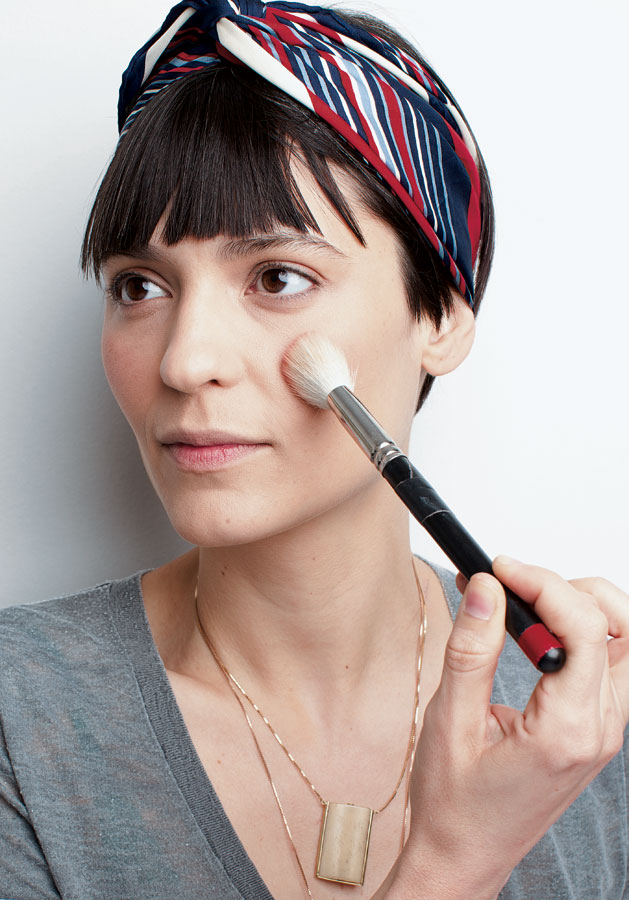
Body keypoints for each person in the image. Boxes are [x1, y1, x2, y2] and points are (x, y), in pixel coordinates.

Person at [1, 1, 627, 898]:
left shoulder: (584, 718)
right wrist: (454, 861)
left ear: (441, 317)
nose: (185, 361)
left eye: (278, 277)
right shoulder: (23, 720)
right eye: (138, 286)